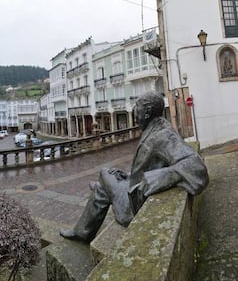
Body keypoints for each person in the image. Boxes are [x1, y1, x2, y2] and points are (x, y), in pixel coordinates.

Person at [60, 91, 209, 243]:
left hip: (133, 204)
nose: (133, 111)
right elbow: (152, 165)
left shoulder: (163, 135)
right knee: (101, 186)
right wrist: (129, 175)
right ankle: (84, 230)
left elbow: (197, 168)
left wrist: (156, 179)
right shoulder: (156, 128)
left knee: (104, 173)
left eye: (137, 107)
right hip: (135, 186)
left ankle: (87, 222)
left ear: (147, 112)